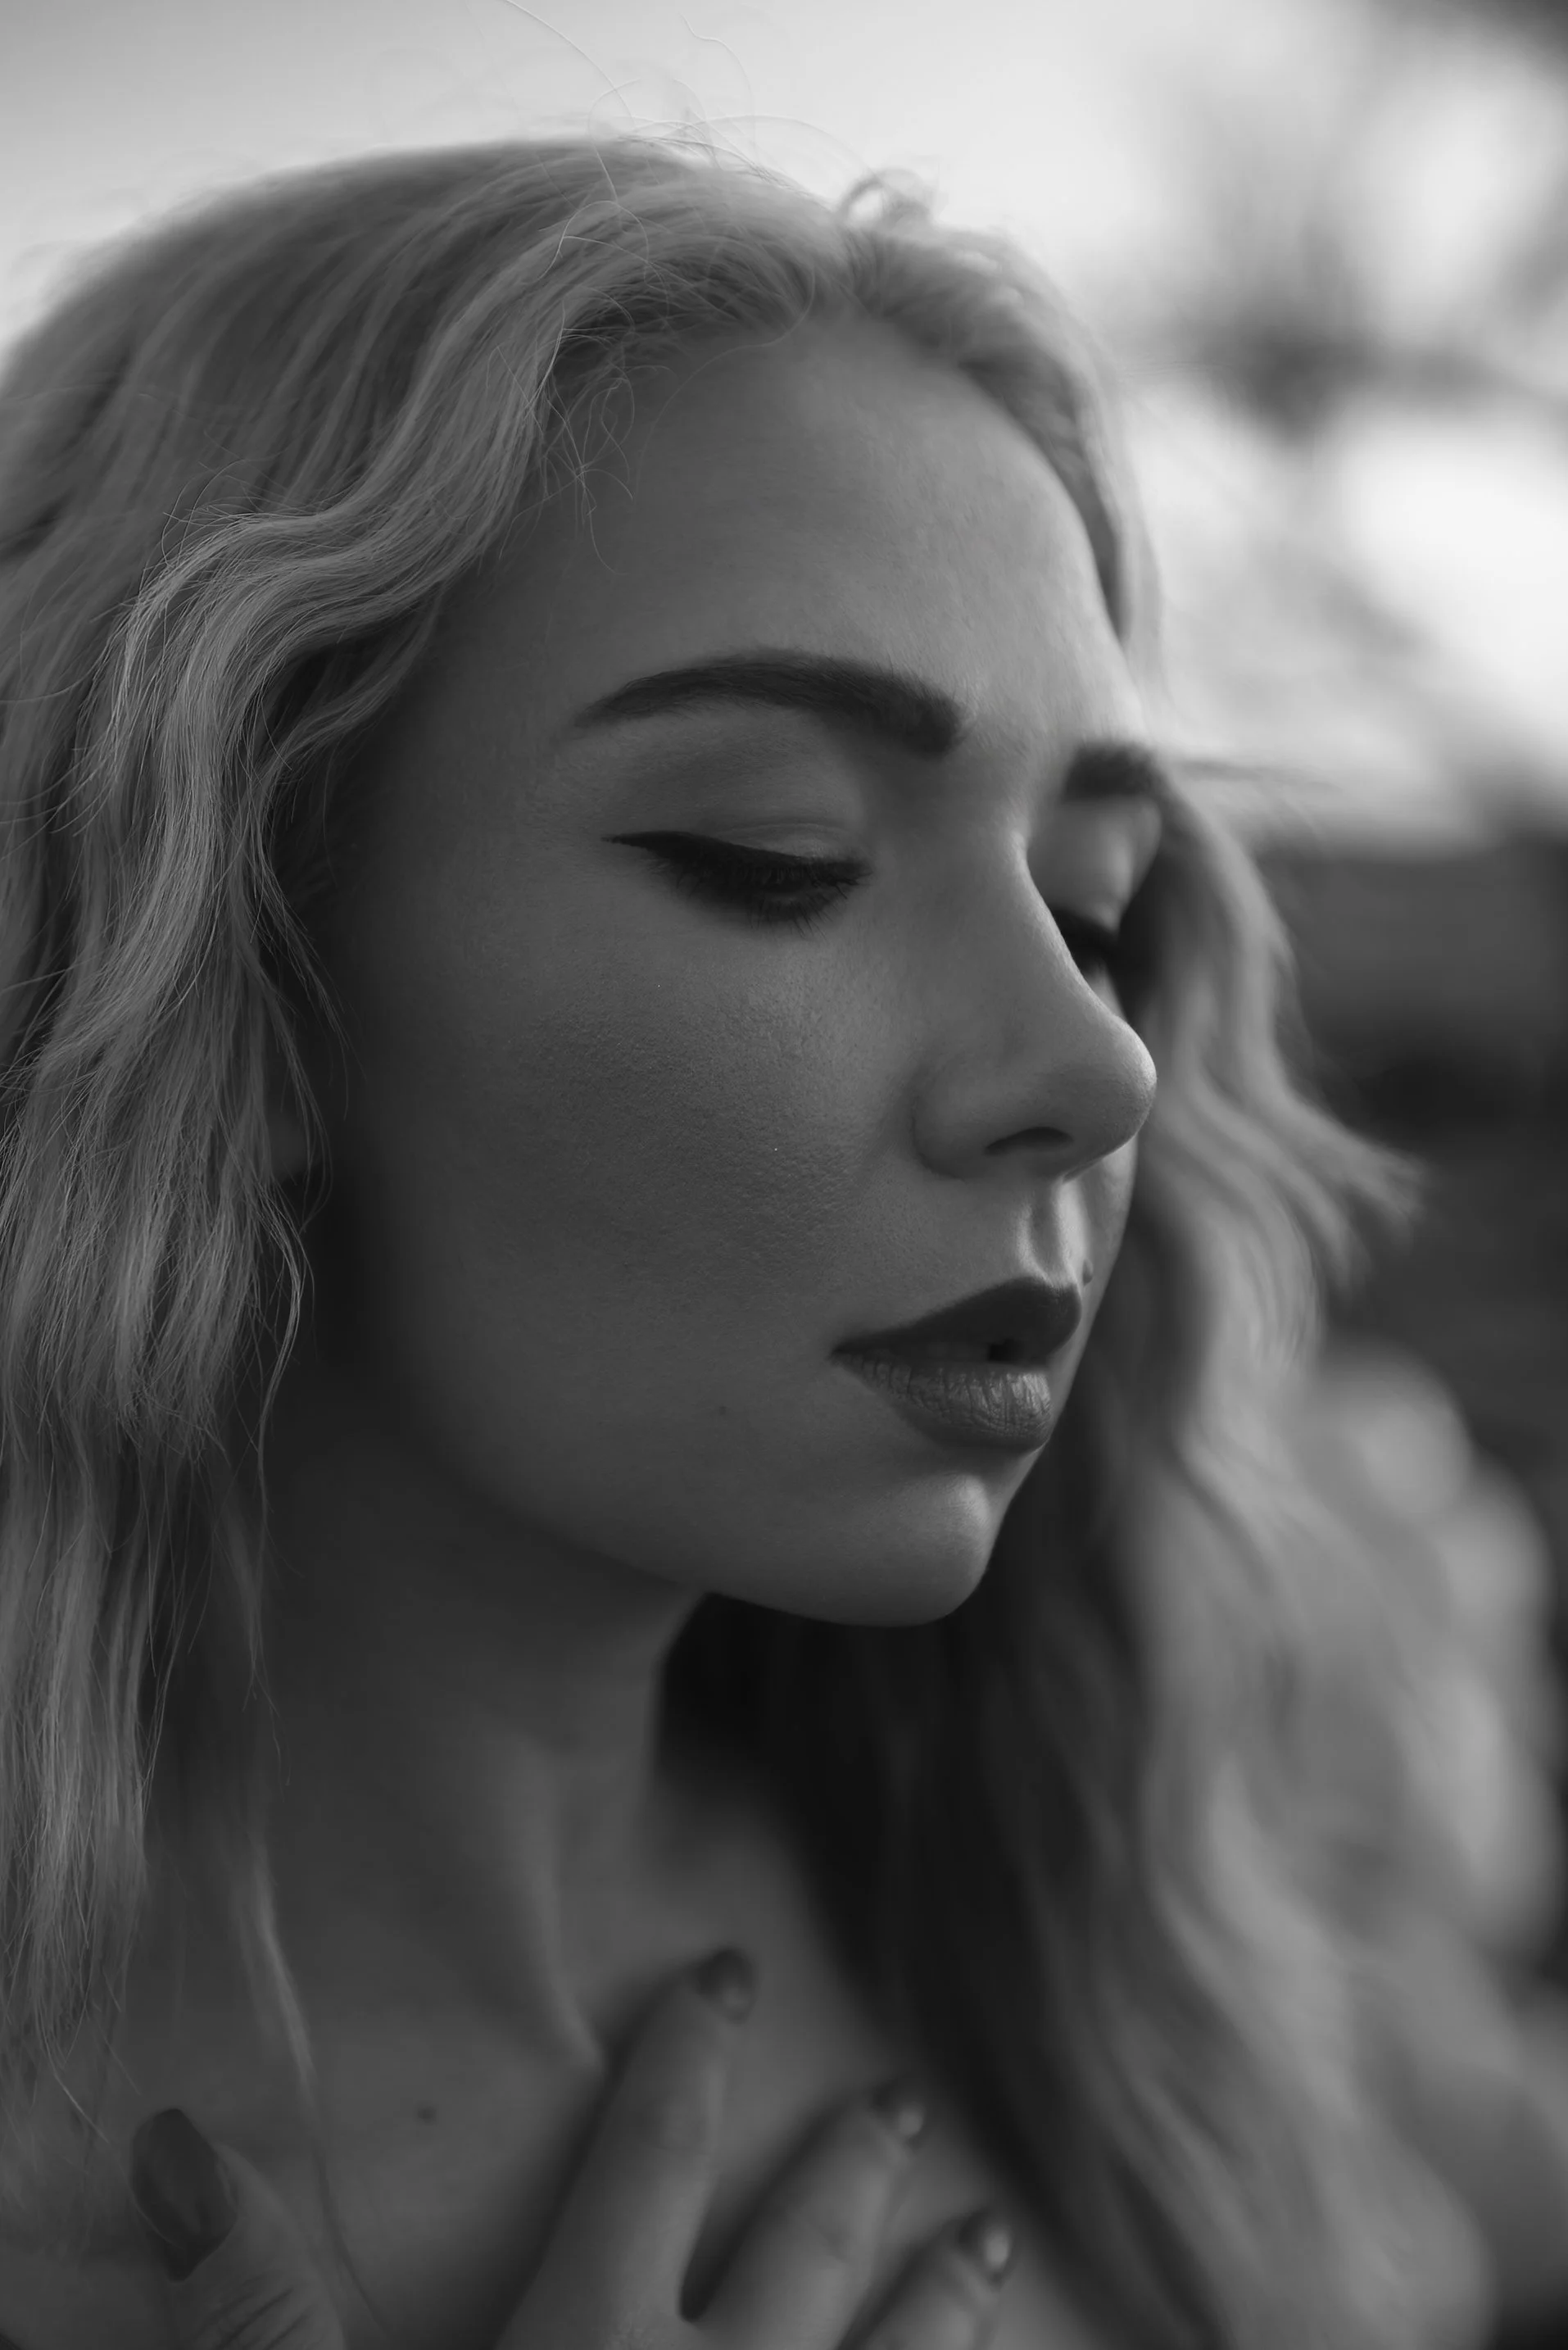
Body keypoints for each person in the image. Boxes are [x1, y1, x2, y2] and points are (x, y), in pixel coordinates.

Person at [0, 134, 1482, 2350]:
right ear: (229, 966)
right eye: (775, 856)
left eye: (1092, 905)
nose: (1099, 1067)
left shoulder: (1119, 1952)